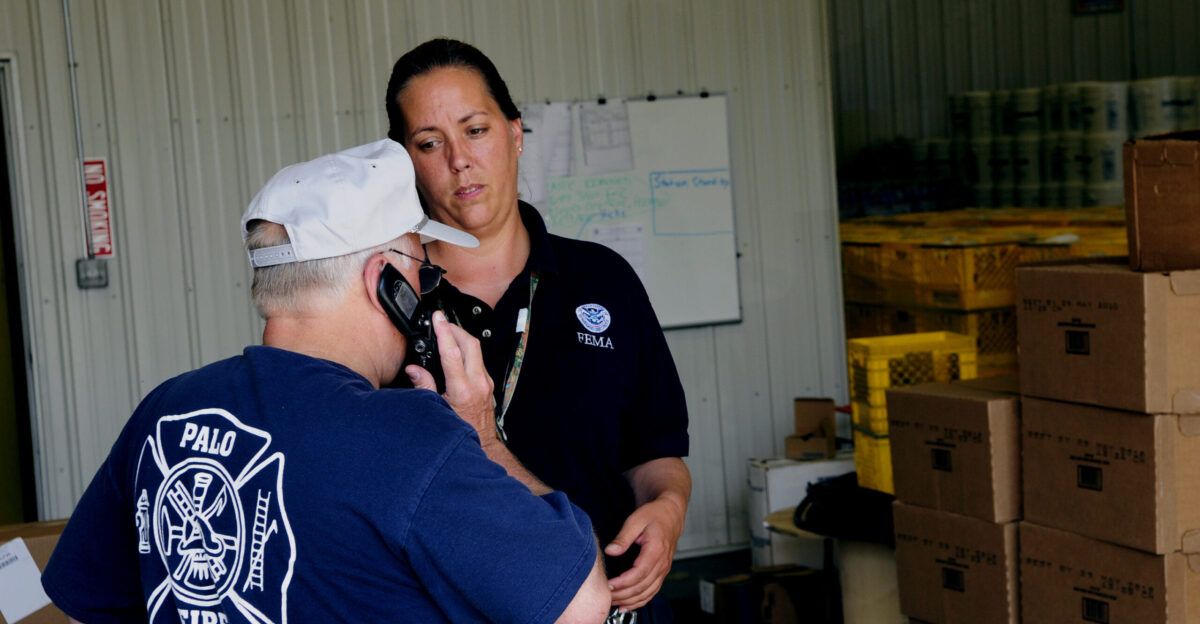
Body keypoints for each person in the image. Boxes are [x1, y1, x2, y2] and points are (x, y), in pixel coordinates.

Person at [40, 139, 611, 623]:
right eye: (422, 273)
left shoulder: (165, 410)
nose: (427, 291)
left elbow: (84, 602)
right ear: (384, 282)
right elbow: (581, 604)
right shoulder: (413, 438)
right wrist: (483, 436)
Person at [385, 39, 692, 622]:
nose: (458, 160)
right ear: (407, 162)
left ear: (515, 133)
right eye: (430, 143)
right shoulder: (387, 299)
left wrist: (669, 507)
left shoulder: (602, 279)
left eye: (475, 130)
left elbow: (656, 449)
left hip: (608, 606)